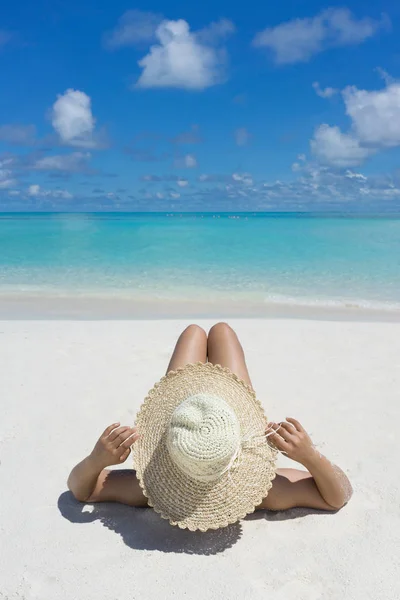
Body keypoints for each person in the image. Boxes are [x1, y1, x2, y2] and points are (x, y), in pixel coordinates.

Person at [67, 323, 352, 523]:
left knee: (194, 333)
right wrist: (310, 456)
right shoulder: (266, 493)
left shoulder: (150, 490)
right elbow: (338, 496)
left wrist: (97, 460)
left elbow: (82, 490)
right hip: (223, 420)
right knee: (222, 332)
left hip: (189, 417)